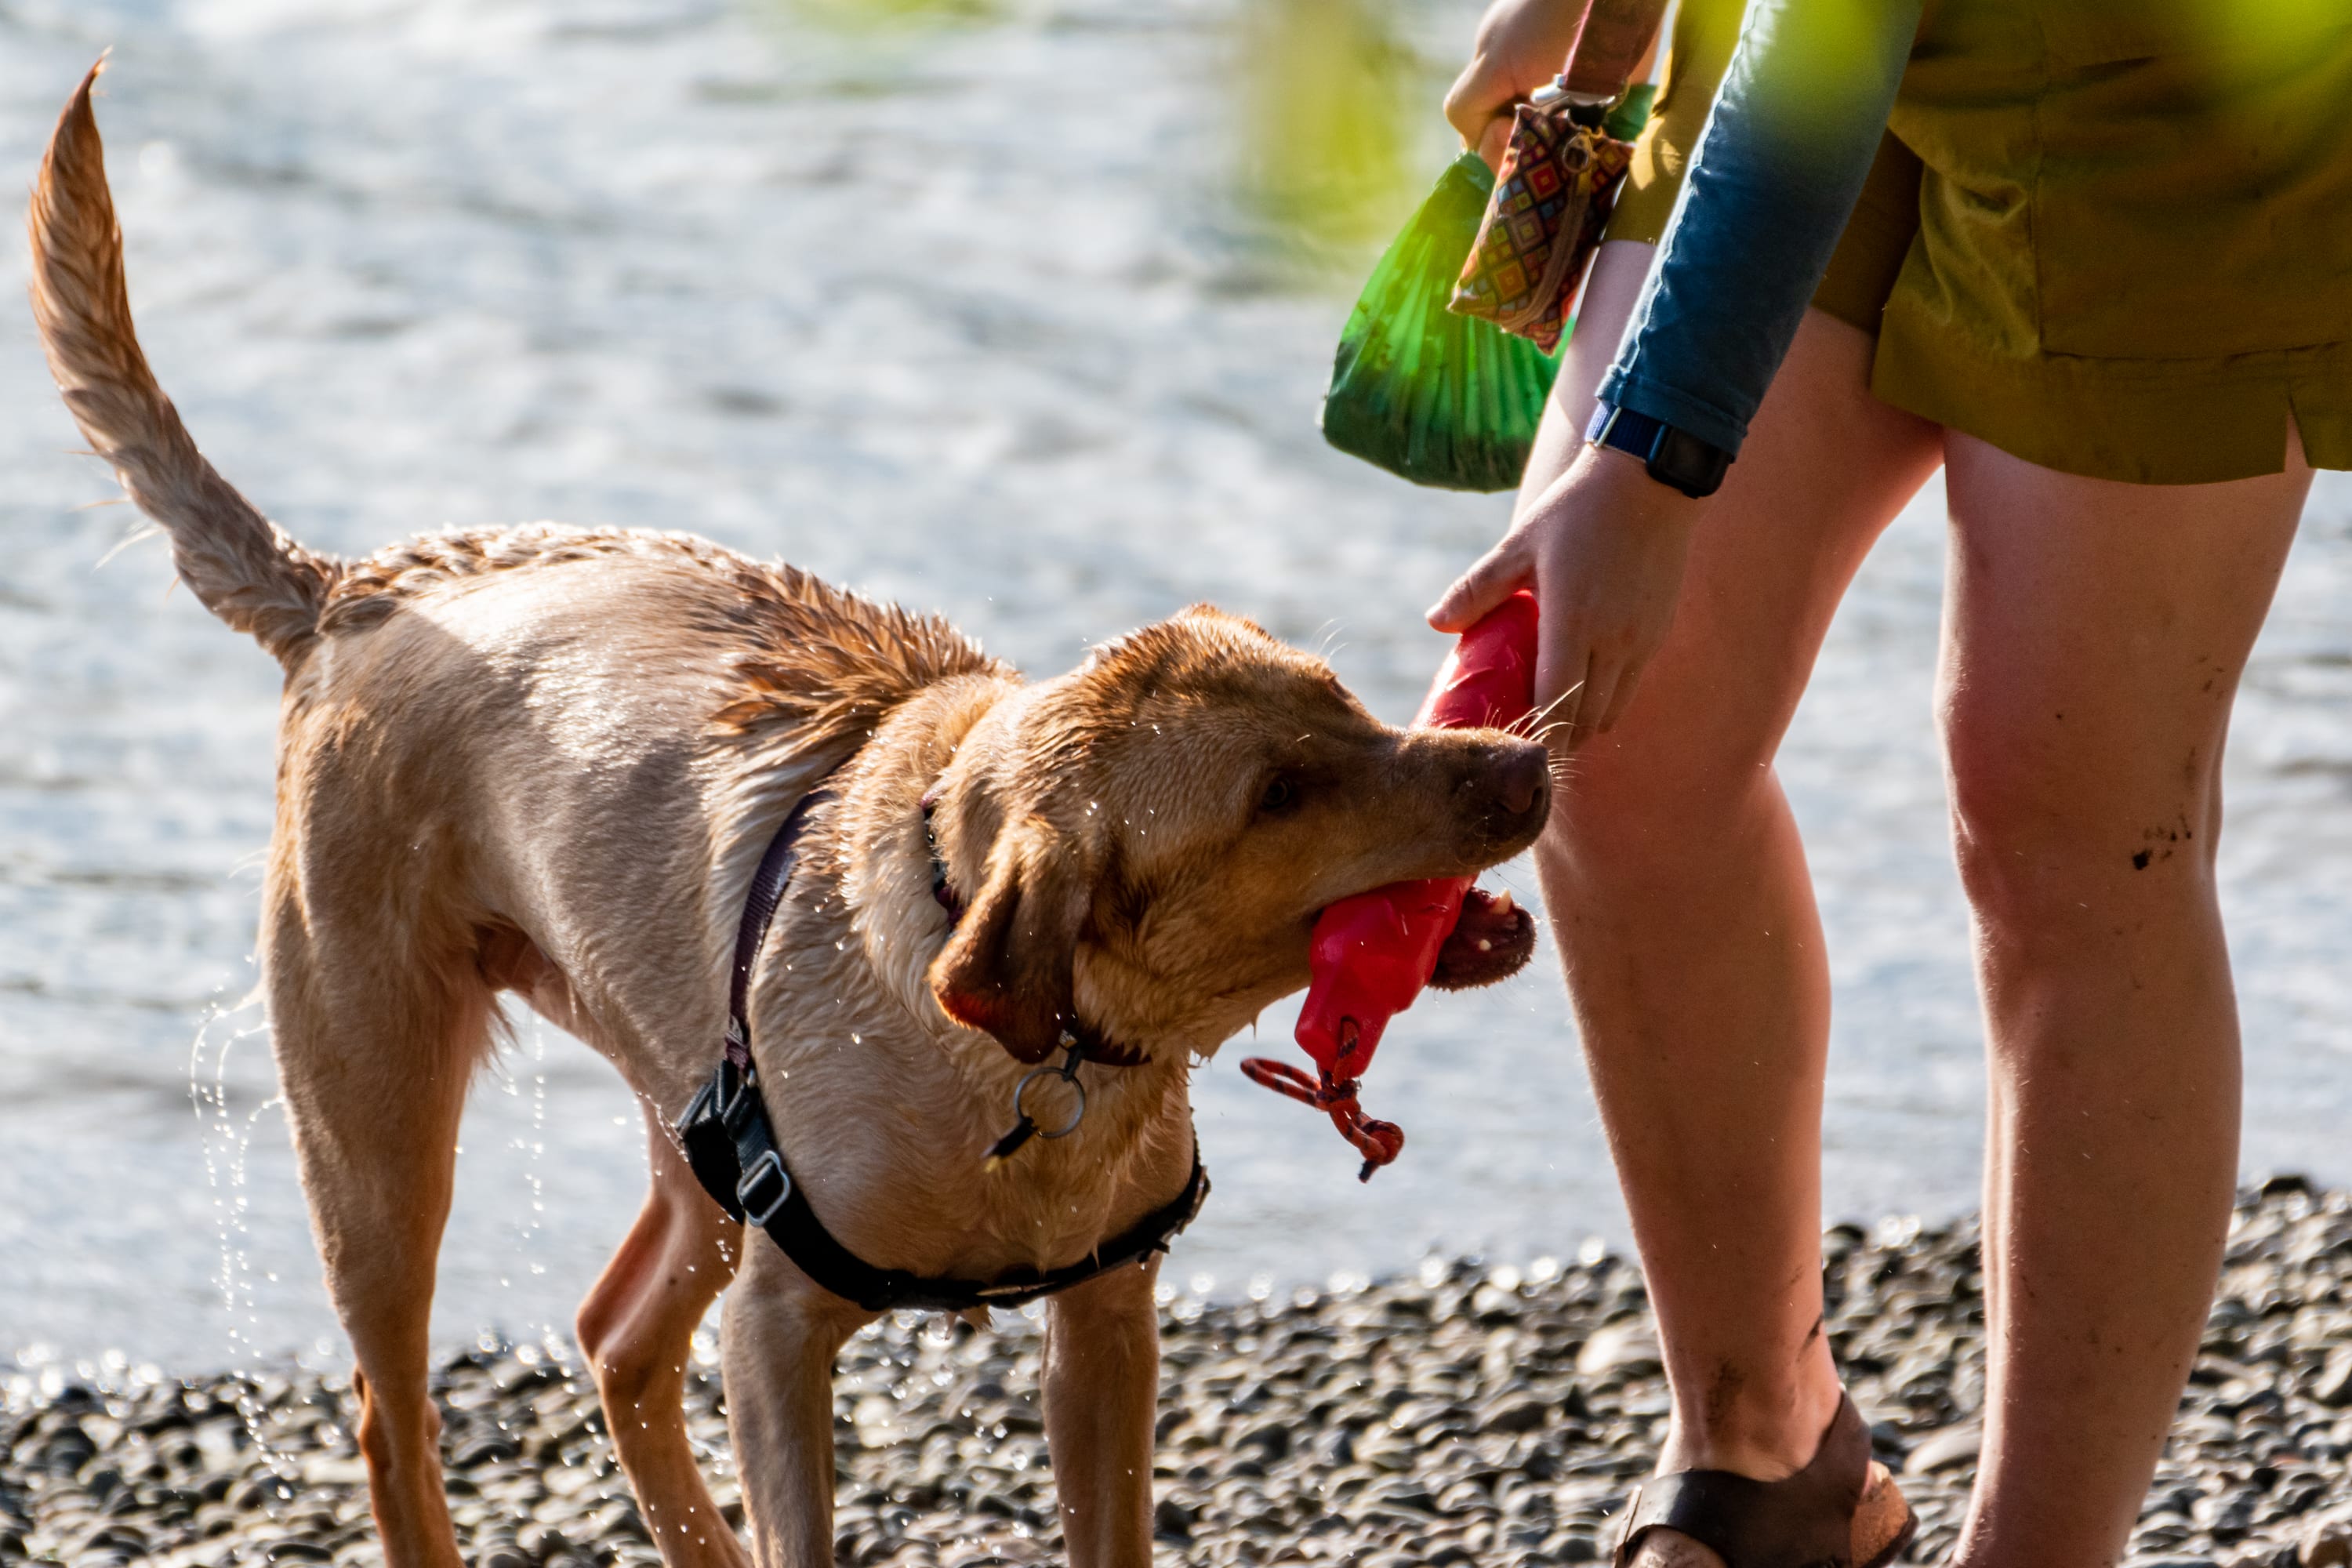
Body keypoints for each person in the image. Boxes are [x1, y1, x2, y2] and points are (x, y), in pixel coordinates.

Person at [1436, 0, 2352, 1563]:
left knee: (2072, 827)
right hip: (1788, 47)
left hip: (2170, 91)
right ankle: (1763, 1451)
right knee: (1606, 713)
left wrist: (1653, 453)